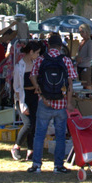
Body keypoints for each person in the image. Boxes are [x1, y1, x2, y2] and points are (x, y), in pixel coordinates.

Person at [29, 34, 78, 174]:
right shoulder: (66, 60)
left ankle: (36, 165)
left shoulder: (41, 59)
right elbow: (70, 84)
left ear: (48, 45)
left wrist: (40, 92)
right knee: (60, 135)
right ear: (61, 46)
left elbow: (32, 76)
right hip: (61, 103)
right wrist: (68, 102)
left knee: (39, 134)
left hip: (44, 102)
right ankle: (58, 166)